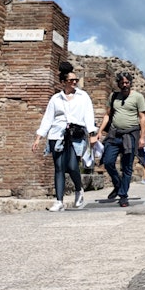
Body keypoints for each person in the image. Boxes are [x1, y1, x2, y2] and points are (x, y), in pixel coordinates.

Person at [32, 62, 97, 211]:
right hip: (57, 135)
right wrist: (38, 138)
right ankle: (59, 201)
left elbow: (89, 115)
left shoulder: (83, 96)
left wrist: (92, 133)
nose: (75, 82)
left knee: (73, 165)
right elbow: (48, 118)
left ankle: (78, 189)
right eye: (71, 80)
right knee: (59, 167)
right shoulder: (55, 99)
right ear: (63, 82)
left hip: (76, 135)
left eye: (76, 80)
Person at [98, 71, 145, 207]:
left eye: (127, 82)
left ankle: (123, 195)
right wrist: (100, 131)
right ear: (118, 84)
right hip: (114, 134)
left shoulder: (138, 97)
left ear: (130, 83)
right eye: (122, 83)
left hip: (130, 135)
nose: (125, 85)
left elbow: (142, 117)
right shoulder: (113, 97)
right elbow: (108, 115)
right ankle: (118, 184)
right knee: (108, 161)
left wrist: (142, 137)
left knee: (127, 167)